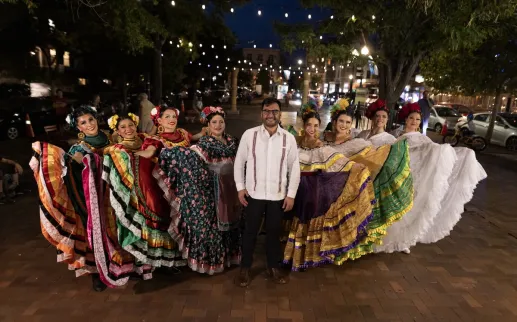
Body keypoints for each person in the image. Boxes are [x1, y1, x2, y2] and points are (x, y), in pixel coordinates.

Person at [30, 105, 133, 292]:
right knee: (97, 232)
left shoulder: (113, 137)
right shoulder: (79, 148)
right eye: (83, 123)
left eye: (91, 120)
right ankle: (98, 273)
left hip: (118, 193)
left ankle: (124, 263)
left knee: (120, 228)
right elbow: (74, 176)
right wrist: (80, 163)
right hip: (96, 199)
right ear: (78, 128)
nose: (89, 124)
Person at [375, 103, 486, 253]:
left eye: (417, 119)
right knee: (397, 206)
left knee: (412, 206)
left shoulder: (422, 138)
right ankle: (392, 238)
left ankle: (404, 241)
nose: (414, 121)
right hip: (399, 175)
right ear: (406, 119)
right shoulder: (396, 136)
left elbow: (433, 151)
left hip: (415, 176)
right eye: (411, 118)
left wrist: (452, 152)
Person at [282, 104, 376, 271]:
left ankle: (308, 257)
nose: (312, 128)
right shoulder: (295, 143)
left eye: (316, 126)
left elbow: (341, 162)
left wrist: (359, 170)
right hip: (297, 190)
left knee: (308, 218)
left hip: (313, 190)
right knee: (297, 219)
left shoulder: (322, 147)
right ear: (303, 126)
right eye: (309, 125)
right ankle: (295, 256)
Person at [158, 106, 241, 274]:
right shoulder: (204, 144)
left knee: (235, 224)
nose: (218, 125)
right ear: (208, 126)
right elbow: (190, 156)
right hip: (216, 192)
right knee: (214, 228)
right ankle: (214, 263)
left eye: (221, 122)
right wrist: (169, 153)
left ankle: (230, 257)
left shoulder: (233, 141)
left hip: (233, 189)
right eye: (214, 122)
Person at [102, 113, 185, 272]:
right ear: (118, 131)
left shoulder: (147, 139)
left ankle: (166, 261)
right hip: (136, 192)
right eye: (123, 127)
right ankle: (148, 262)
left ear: (136, 125)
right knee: (146, 223)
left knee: (164, 217)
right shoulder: (116, 149)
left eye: (131, 125)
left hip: (157, 185)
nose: (128, 129)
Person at [234, 97, 300, 287]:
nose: (270, 115)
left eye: (274, 111)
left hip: (278, 195)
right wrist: (240, 188)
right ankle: (245, 269)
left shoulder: (288, 138)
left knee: (273, 233)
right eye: (266, 111)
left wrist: (291, 194)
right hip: (253, 194)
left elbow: (294, 168)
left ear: (280, 114)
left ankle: (273, 267)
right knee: (250, 233)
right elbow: (239, 163)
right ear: (261, 113)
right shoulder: (250, 135)